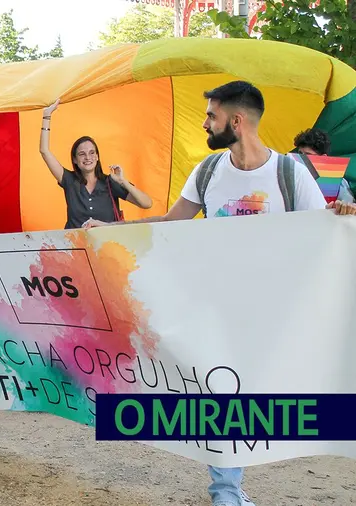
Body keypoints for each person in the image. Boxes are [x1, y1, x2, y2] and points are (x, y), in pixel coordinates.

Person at [85, 80, 356, 506]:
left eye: (211, 115)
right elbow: (172, 221)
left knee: (261, 398)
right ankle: (226, 491)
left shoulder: (289, 172)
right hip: (215, 307)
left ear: (236, 120)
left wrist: (342, 216)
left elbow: (319, 233)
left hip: (272, 312)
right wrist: (111, 230)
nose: (205, 123)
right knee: (222, 393)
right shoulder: (208, 171)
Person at [39, 99, 154, 229]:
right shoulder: (69, 180)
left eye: (92, 152)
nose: (88, 157)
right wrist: (47, 115)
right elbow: (44, 151)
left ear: (97, 157)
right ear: (75, 160)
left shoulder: (111, 182)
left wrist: (123, 182)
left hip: (106, 246)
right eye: (82, 154)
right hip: (75, 246)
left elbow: (147, 203)